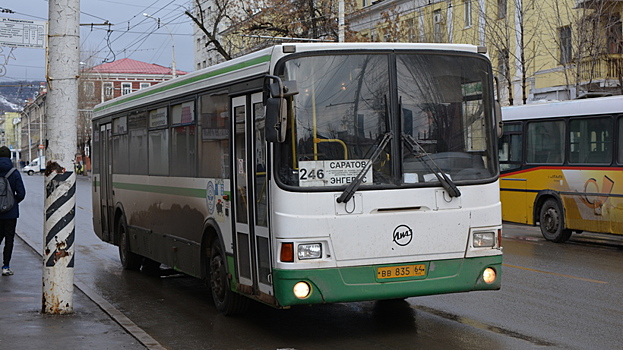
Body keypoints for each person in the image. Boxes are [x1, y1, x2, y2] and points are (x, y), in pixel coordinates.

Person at [0, 146, 26, 276]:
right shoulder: (14, 173)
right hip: (10, 213)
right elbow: (21, 193)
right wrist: (13, 202)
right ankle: (5, 266)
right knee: (9, 239)